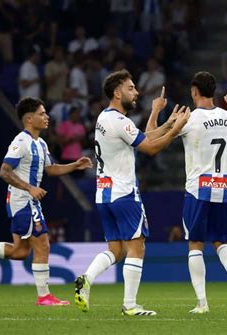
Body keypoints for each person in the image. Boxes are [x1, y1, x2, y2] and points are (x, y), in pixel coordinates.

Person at [0, 97, 93, 306]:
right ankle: (44, 296)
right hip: (23, 200)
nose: (47, 117)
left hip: (28, 201)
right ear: (29, 119)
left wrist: (74, 165)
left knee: (20, 252)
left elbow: (50, 169)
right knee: (43, 244)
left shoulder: (41, 143)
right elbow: (4, 171)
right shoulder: (21, 142)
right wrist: (29, 187)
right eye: (42, 113)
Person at [74, 69, 190, 316]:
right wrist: (176, 129)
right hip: (124, 193)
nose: (136, 92)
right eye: (131, 88)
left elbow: (141, 137)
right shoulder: (121, 121)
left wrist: (166, 121)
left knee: (115, 250)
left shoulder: (105, 119)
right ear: (117, 93)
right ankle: (130, 305)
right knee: (137, 247)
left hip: (104, 193)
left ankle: (86, 278)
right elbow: (150, 148)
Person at [173, 72, 227, 314]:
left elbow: (154, 138)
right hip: (224, 188)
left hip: (197, 189)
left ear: (194, 92)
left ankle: (202, 303)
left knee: (195, 244)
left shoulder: (189, 119)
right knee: (222, 242)